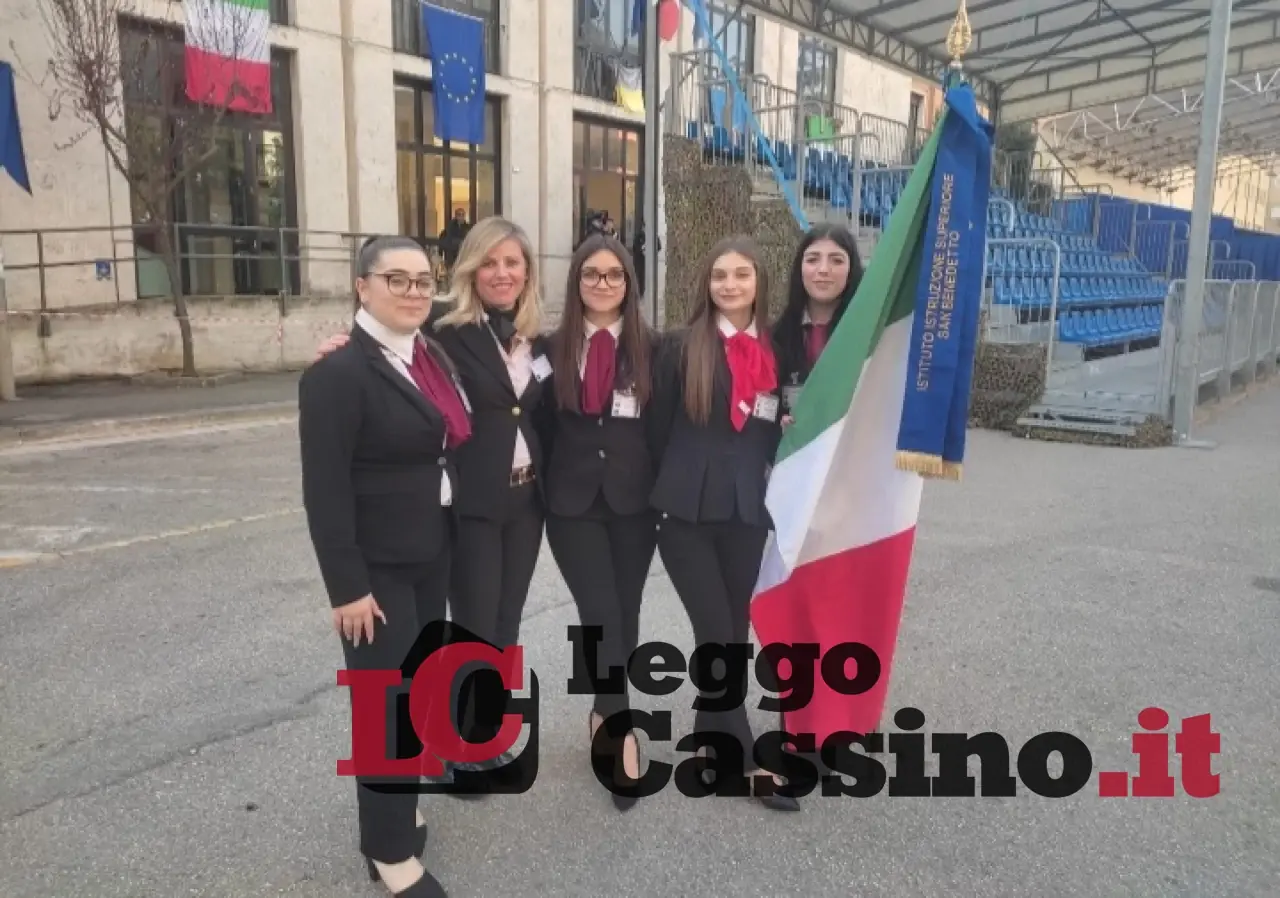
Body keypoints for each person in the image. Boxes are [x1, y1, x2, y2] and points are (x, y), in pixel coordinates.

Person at [315, 217, 549, 797]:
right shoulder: (443, 330)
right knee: (470, 629)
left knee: (505, 625)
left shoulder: (535, 336)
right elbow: (381, 348)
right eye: (489, 262)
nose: (501, 273)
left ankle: (482, 728)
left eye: (512, 263)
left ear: (527, 272)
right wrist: (339, 346)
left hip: (526, 502)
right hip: (473, 504)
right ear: (470, 268)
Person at [299, 235, 469, 898]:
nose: (414, 291)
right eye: (396, 279)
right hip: (375, 572)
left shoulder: (428, 355)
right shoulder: (337, 374)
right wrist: (347, 588)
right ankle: (389, 851)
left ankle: (397, 809)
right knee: (383, 707)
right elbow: (325, 490)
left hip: (430, 552)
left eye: (424, 279)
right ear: (362, 286)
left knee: (416, 691)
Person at [645, 234, 800, 813]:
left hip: (746, 513)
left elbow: (777, 429)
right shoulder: (679, 347)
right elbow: (657, 430)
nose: (729, 285)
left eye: (741, 275)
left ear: (759, 282)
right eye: (719, 275)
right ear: (706, 284)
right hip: (686, 514)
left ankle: (711, 735)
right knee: (716, 632)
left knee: (734, 631)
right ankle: (745, 759)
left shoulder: (778, 351)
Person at [535, 234, 658, 812]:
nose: (602, 283)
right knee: (602, 613)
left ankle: (600, 710)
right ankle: (618, 726)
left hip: (635, 504)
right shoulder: (547, 348)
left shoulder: (656, 349)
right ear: (576, 282)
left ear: (629, 283)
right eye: (591, 274)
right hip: (573, 505)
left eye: (614, 274)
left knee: (624, 617)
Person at [770, 223, 865, 418]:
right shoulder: (774, 338)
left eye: (836, 261)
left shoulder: (868, 337)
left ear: (851, 270)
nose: (823, 270)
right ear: (800, 268)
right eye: (812, 259)